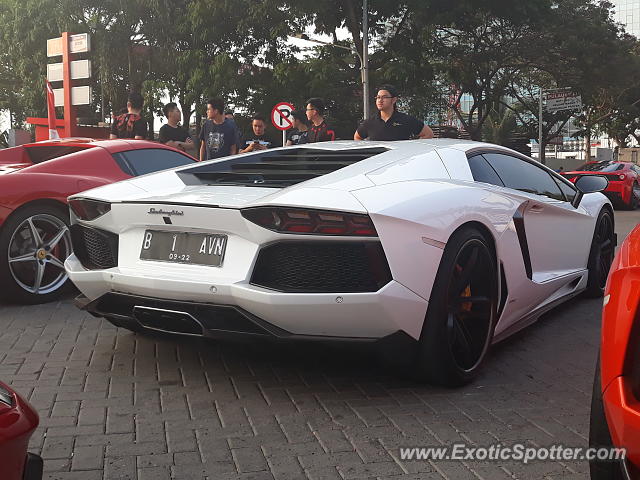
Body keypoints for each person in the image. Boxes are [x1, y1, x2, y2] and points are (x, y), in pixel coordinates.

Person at [354, 85, 434, 141]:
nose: (380, 100)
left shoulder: (405, 120)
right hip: (378, 163)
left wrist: (412, 149)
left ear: (394, 100)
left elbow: (428, 134)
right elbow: (357, 137)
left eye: (384, 97)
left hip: (400, 163)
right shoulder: (370, 122)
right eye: (378, 97)